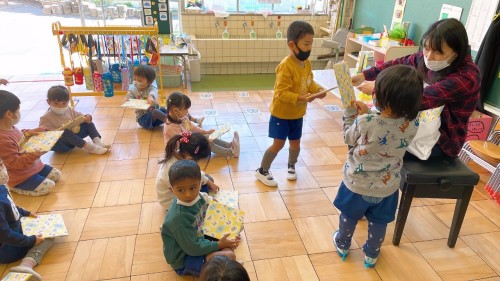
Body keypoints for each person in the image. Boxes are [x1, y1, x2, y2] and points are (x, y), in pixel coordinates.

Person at [332, 65, 423, 268]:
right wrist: (370, 113)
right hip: (387, 187)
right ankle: (372, 253)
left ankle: (343, 244)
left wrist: (350, 114)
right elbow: (388, 125)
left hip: (357, 184)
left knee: (349, 216)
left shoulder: (366, 121)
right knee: (379, 222)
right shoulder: (413, 123)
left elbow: (348, 136)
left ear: (382, 99)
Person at [352, 18, 481, 158]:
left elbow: (419, 99)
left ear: (456, 53)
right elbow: (398, 64)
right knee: (363, 137)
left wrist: (378, 89)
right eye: (426, 48)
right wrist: (365, 75)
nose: (429, 56)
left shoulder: (467, 77)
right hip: (416, 126)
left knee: (373, 146)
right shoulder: (425, 57)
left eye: (438, 52)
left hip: (440, 142)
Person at [255, 20, 326, 187]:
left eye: (311, 44)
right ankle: (262, 170)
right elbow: (281, 93)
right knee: (278, 144)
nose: (309, 48)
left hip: (297, 114)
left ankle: (291, 166)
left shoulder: (306, 63)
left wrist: (318, 90)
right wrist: (302, 98)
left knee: (296, 143)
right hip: (281, 114)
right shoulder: (285, 67)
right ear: (292, 45)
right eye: (306, 44)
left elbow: (309, 82)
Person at [161, 159, 240, 277]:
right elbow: (192, 248)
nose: (188, 194)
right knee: (229, 255)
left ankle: (223, 255)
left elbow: (204, 198)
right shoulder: (178, 219)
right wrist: (218, 245)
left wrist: (212, 202)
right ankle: (221, 262)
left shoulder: (197, 197)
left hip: (197, 237)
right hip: (184, 259)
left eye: (192, 188)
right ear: (171, 190)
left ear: (199, 183)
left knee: (234, 232)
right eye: (180, 190)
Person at [0, 159, 54, 281]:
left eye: (1, 164)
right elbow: (5, 235)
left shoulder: (1, 188)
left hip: (12, 234)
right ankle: (26, 265)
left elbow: (10, 206)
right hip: (7, 249)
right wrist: (31, 240)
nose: (3, 170)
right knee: (48, 236)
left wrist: (25, 212)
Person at [0, 90, 61, 196]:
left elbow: (19, 137)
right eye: (18, 109)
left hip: (33, 167)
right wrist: (35, 155)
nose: (19, 112)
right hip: (20, 177)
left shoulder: (9, 126)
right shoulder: (2, 140)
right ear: (10, 114)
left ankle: (36, 174)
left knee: (56, 175)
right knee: (49, 186)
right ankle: (14, 187)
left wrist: (30, 132)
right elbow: (15, 163)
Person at [163, 92, 240, 159]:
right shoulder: (171, 128)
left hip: (186, 143)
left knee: (208, 137)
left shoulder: (181, 117)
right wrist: (202, 140)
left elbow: (192, 127)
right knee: (207, 143)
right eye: (186, 109)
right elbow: (183, 142)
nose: (187, 112)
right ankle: (232, 152)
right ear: (176, 110)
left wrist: (205, 132)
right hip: (180, 151)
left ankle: (229, 145)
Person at [156, 132, 220, 211]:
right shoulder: (175, 169)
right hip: (172, 202)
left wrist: (209, 182)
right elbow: (188, 192)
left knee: (208, 179)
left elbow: (194, 172)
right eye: (196, 161)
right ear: (190, 158)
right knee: (203, 190)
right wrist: (209, 199)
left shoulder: (180, 155)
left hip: (181, 189)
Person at [39, 85, 110, 154]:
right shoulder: (45, 118)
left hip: (74, 139)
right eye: (56, 103)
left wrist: (87, 117)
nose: (60, 106)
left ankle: (98, 142)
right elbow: (43, 136)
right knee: (65, 132)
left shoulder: (68, 109)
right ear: (48, 102)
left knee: (88, 123)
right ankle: (91, 148)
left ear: (68, 101)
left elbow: (80, 116)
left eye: (64, 103)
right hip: (61, 145)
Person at [125, 65, 168, 129]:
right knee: (155, 112)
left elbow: (154, 92)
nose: (136, 82)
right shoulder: (132, 88)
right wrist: (129, 100)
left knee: (166, 110)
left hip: (156, 118)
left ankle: (182, 118)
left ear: (149, 82)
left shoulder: (152, 87)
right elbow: (129, 99)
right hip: (143, 119)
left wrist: (151, 96)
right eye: (135, 79)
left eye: (140, 80)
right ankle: (171, 123)